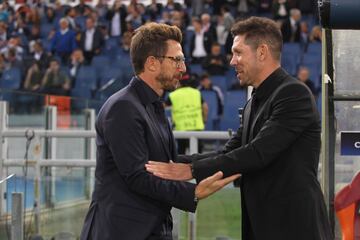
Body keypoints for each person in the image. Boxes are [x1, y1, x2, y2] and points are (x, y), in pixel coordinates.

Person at [146, 17, 333, 240]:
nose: (232, 61)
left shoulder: (294, 94)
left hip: (294, 227)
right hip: (261, 224)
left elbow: (257, 153)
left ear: (262, 52)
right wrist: (178, 162)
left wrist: (191, 171)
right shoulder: (254, 100)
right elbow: (228, 153)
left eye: (238, 52)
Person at [80, 22, 240, 240]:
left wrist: (217, 160)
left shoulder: (152, 105)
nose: (183, 68)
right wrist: (193, 192)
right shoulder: (123, 107)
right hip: (122, 231)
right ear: (152, 63)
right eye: (177, 60)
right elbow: (137, 176)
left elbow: (167, 163)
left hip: (152, 228)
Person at [165, 75, 208, 154]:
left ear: (179, 83)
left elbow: (162, 108)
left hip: (181, 129)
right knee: (198, 156)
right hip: (196, 127)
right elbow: (205, 108)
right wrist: (204, 120)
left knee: (181, 155)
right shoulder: (197, 92)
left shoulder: (173, 95)